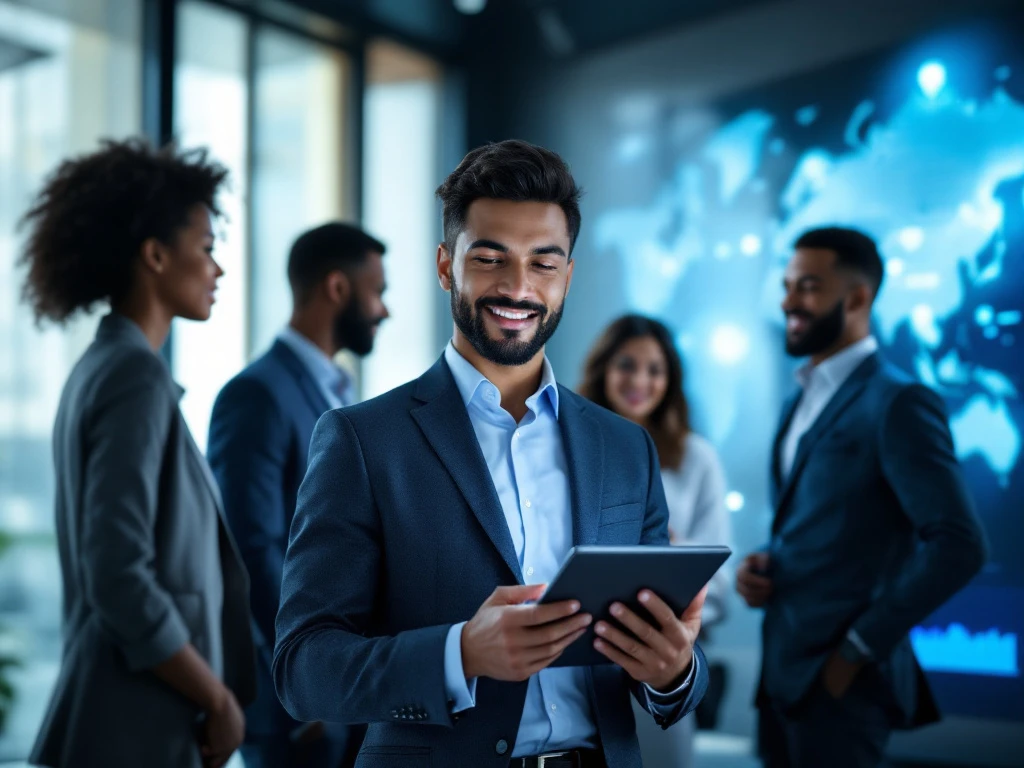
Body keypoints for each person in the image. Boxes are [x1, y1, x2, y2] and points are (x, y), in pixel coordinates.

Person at [273, 140, 710, 768]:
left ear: (568, 275)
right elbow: (302, 668)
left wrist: (672, 671)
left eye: (543, 263)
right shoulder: (362, 441)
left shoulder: (624, 447)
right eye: (491, 257)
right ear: (447, 266)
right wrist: (461, 654)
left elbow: (669, 675)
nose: (517, 287)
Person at [20, 138, 256, 768]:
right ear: (155, 255)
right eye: (206, 249)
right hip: (132, 724)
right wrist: (217, 696)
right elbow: (119, 573)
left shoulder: (104, 367)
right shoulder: (133, 376)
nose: (218, 269)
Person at [736, 227, 987, 768]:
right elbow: (822, 525)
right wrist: (768, 565)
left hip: (842, 686)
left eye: (807, 286)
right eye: (786, 286)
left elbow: (960, 545)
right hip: (781, 678)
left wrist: (856, 651)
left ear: (857, 298)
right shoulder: (797, 401)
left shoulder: (899, 402)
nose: (788, 302)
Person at [207, 222, 389, 768]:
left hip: (347, 686)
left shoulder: (338, 393)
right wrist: (305, 678)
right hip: (297, 703)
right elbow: (251, 547)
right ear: (337, 288)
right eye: (377, 291)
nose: (384, 310)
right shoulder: (256, 394)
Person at [579, 313, 732, 767]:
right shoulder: (569, 447)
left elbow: (719, 579)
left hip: (659, 660)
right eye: (627, 365)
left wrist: (669, 553)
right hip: (579, 658)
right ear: (603, 369)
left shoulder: (696, 458)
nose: (640, 381)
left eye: (655, 370)